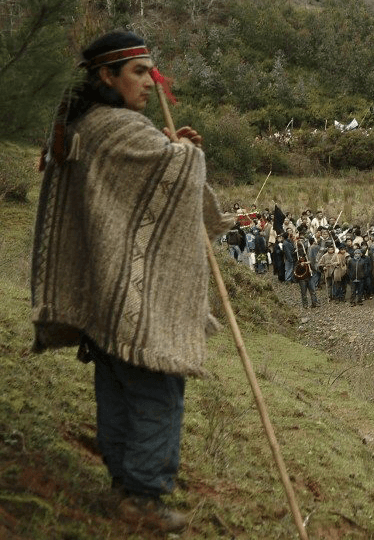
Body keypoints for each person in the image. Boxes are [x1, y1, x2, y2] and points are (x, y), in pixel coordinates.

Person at [31, 30, 234, 533]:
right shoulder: (119, 128)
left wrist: (168, 147)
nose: (149, 84)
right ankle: (142, 495)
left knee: (118, 388)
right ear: (107, 75)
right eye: (138, 73)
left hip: (107, 292)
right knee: (156, 394)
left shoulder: (91, 124)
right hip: (138, 303)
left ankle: (123, 485)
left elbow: (141, 177)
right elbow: (177, 176)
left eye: (150, 72)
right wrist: (182, 152)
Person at [294, 236, 319, 308]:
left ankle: (314, 303)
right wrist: (300, 264)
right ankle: (305, 305)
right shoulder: (296, 256)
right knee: (304, 292)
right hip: (302, 278)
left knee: (312, 290)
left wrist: (308, 262)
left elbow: (312, 261)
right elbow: (295, 268)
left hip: (309, 275)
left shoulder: (308, 254)